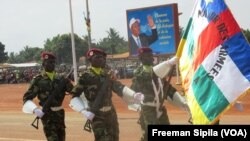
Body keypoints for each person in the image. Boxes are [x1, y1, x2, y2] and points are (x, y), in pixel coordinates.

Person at [69, 48, 144, 141]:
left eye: (102, 57)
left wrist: (133, 95)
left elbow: (118, 87)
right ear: (90, 59)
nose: (101, 59)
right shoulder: (85, 77)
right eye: (97, 57)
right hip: (96, 115)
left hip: (111, 114)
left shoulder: (107, 75)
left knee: (114, 138)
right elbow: (74, 97)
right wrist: (83, 111)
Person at [130, 47, 190, 141]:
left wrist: (183, 103)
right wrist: (168, 64)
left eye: (152, 55)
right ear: (141, 58)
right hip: (148, 110)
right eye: (148, 56)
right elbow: (150, 74)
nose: (152, 58)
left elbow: (168, 90)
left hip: (161, 108)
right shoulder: (138, 72)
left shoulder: (158, 73)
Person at [22, 51, 74, 141]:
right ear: (43, 64)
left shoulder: (61, 79)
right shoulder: (38, 80)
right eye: (49, 62)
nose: (52, 64)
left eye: (53, 62)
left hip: (60, 115)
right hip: (47, 116)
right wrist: (36, 109)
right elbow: (27, 98)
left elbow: (74, 92)